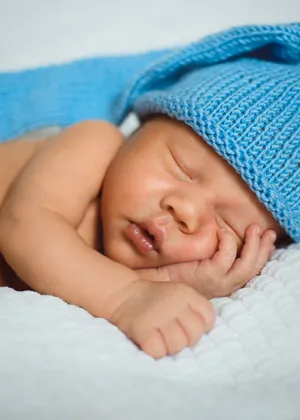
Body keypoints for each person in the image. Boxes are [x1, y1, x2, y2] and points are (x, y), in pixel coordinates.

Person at [0, 23, 299, 359]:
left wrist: (174, 281)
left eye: (227, 226)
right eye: (181, 168)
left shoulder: (114, 265)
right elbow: (24, 227)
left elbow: (79, 273)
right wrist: (129, 297)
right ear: (143, 128)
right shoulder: (94, 142)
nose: (186, 211)